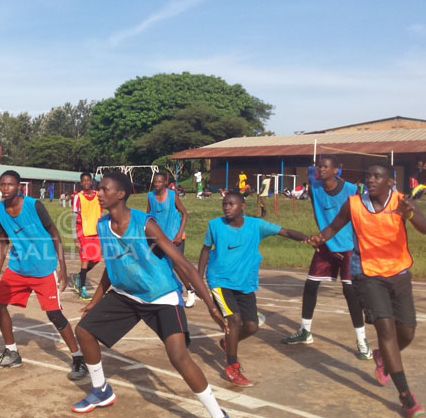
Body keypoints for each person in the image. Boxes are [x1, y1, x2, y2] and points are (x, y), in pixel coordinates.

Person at [71, 172, 229, 417]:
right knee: (84, 331)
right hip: (127, 294)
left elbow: (184, 265)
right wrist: (96, 300)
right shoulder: (103, 225)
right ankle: (101, 390)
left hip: (160, 295)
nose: (99, 193)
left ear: (120, 194)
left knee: (178, 356)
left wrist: (211, 306)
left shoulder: (145, 224)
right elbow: (113, 265)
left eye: (104, 189)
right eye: (98, 188)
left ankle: (217, 414)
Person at [307, 161, 426, 418]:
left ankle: (382, 357)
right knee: (386, 329)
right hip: (367, 274)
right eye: (368, 176)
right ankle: (406, 397)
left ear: (390, 182)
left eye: (377, 176)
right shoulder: (353, 204)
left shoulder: (401, 201)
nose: (370, 180)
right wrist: (321, 237)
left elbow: (425, 228)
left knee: (407, 332)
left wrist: (410, 214)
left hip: (398, 273)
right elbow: (334, 226)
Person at [198, 192, 309, 387]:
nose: (227, 207)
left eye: (231, 204)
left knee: (251, 326)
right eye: (224, 204)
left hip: (244, 282)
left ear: (242, 206)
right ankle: (232, 367)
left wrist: (308, 239)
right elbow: (206, 250)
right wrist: (198, 277)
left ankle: (228, 343)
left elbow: (284, 232)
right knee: (234, 320)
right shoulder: (215, 225)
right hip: (219, 281)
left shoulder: (256, 226)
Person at [0, 170, 88, 381]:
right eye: (2, 185)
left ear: (19, 187)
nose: (5, 188)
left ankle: (78, 357)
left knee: (54, 314)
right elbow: (3, 243)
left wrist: (63, 268)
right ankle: (12, 353)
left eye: (10, 184)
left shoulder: (34, 206)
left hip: (44, 267)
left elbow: (54, 233)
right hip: (18, 268)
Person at [282, 156, 371, 359]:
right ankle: (305, 331)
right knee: (310, 285)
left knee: (350, 292)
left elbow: (360, 219)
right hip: (326, 243)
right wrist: (323, 241)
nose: (320, 169)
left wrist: (356, 245)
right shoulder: (315, 188)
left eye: (325, 166)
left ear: (336, 169)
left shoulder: (351, 190)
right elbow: (318, 215)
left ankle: (361, 340)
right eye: (318, 166)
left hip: (349, 246)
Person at [146, 172, 196, 307]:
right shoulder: (150, 196)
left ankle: (190, 290)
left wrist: (179, 234)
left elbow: (184, 214)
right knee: (159, 264)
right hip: (158, 237)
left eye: (160, 182)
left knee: (176, 264)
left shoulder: (172, 196)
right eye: (155, 182)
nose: (157, 184)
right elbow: (148, 216)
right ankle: (171, 290)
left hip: (174, 236)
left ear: (165, 183)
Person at [71, 172, 103, 300]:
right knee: (85, 260)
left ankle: (79, 276)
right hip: (83, 232)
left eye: (87, 180)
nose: (86, 182)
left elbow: (102, 210)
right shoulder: (78, 197)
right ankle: (82, 289)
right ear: (81, 183)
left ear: (91, 182)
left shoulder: (98, 195)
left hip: (96, 232)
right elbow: (74, 217)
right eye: (83, 180)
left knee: (95, 260)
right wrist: (75, 237)